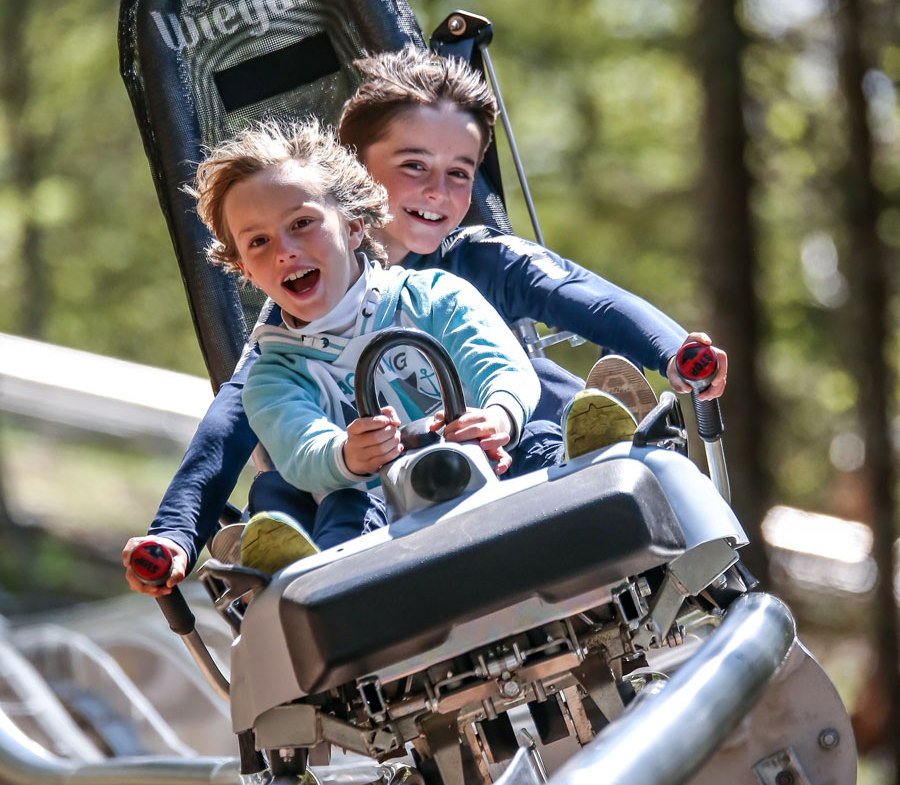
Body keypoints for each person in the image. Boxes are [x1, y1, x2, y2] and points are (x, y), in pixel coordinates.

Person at [123, 47, 726, 596]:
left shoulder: (458, 271)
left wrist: (675, 350)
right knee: (285, 487)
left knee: (541, 385)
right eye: (415, 166)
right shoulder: (282, 348)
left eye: (460, 173)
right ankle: (292, 564)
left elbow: (580, 297)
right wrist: (174, 534)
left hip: (496, 444)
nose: (437, 190)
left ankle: (600, 453)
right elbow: (220, 444)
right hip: (366, 489)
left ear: (347, 217)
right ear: (352, 173)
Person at [129, 117, 540, 578]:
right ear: (245, 270)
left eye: (302, 223)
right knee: (343, 507)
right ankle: (310, 580)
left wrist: (500, 416)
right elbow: (300, 449)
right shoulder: (273, 375)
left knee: (538, 438)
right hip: (383, 521)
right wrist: (346, 454)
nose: (283, 250)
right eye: (259, 242)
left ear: (353, 227)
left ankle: (598, 457)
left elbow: (501, 367)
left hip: (491, 471)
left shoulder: (434, 297)